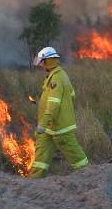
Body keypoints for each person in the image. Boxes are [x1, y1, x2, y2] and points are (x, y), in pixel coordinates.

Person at [28, 46, 89, 178]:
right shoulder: (58, 75)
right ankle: (34, 181)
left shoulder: (56, 79)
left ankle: (89, 177)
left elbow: (53, 105)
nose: (41, 65)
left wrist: (42, 124)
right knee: (41, 157)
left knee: (76, 157)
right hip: (50, 128)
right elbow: (72, 94)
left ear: (48, 61)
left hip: (60, 128)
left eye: (42, 62)